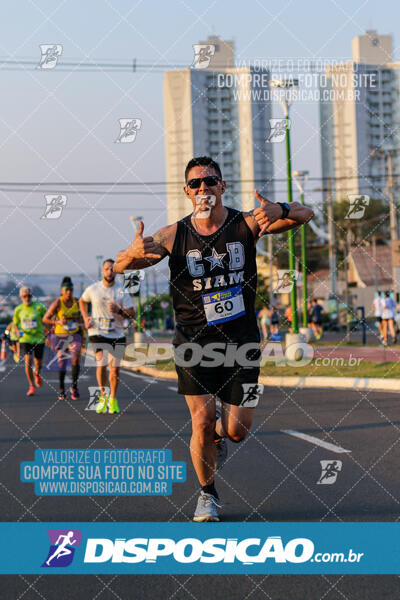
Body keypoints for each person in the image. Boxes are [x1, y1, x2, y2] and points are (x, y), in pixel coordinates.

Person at [114, 156, 314, 521]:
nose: (203, 188)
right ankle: (207, 494)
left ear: (222, 186)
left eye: (210, 181)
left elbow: (306, 214)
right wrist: (130, 255)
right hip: (192, 343)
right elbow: (122, 263)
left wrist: (280, 207)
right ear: (186, 192)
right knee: (201, 422)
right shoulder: (174, 235)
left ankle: (220, 439)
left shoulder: (248, 223)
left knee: (237, 430)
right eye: (195, 184)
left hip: (243, 343)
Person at [79, 259, 135, 414]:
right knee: (101, 364)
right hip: (97, 332)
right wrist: (85, 318)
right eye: (106, 269)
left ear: (115, 271)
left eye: (112, 269)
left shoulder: (121, 291)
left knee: (114, 370)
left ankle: (113, 399)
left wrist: (119, 310)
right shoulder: (93, 289)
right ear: (102, 272)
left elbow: (132, 314)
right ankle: (103, 396)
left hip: (116, 333)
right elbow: (82, 301)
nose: (109, 272)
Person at [43, 277, 83, 401]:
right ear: (62, 290)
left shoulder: (78, 302)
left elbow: (82, 318)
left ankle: (74, 387)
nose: (69, 292)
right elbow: (45, 319)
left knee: (76, 359)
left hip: (75, 335)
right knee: (62, 362)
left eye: (71, 289)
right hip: (60, 336)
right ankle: (61, 389)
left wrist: (82, 324)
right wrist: (58, 321)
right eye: (66, 290)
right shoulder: (57, 303)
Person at [12, 286, 47, 396]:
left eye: (29, 296)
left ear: (32, 296)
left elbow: (48, 318)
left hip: (39, 338)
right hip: (25, 338)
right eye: (24, 296)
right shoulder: (18, 309)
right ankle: (31, 386)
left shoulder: (39, 307)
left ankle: (37, 374)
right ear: (21, 297)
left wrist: (48, 331)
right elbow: (15, 323)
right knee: (28, 360)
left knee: (38, 363)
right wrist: (17, 331)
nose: (27, 298)